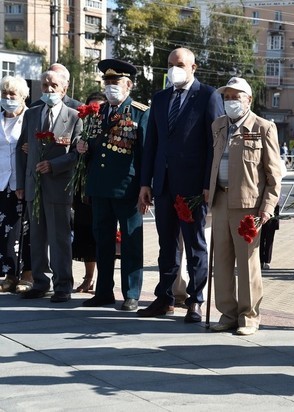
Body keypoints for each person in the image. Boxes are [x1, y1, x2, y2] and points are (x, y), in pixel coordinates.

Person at [138, 47, 224, 321]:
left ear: (193, 67)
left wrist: (209, 183)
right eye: (170, 64)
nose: (174, 68)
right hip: (162, 184)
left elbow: (215, 144)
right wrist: (145, 182)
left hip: (193, 187)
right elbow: (151, 142)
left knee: (195, 244)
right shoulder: (160, 98)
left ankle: (195, 300)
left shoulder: (208, 96)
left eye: (180, 64)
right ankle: (165, 298)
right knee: (167, 245)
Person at [208, 77, 282, 335]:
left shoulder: (263, 127)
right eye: (227, 97)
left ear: (248, 100)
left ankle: (249, 316)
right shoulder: (218, 125)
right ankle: (227, 313)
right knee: (222, 261)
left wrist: (267, 207)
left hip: (248, 206)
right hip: (220, 201)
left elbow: (274, 175)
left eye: (236, 97)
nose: (230, 102)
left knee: (248, 262)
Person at [79, 59, 149, 311]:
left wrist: (144, 186)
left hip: (127, 189)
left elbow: (145, 154)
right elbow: (93, 150)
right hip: (100, 188)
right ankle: (103, 292)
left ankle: (131, 293)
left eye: (115, 82)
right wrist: (82, 148)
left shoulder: (140, 112)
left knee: (130, 242)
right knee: (103, 242)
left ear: (128, 84)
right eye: (107, 82)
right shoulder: (97, 113)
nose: (110, 87)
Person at [15, 69, 82, 303]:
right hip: (34, 185)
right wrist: (22, 183)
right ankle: (40, 282)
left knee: (59, 237)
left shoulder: (74, 116)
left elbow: (77, 154)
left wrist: (53, 165)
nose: (49, 90)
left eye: (54, 85)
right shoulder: (32, 114)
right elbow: (21, 148)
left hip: (58, 185)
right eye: (45, 85)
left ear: (64, 89)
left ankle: (63, 284)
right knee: (37, 235)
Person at [0, 76, 33, 294]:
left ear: (23, 97)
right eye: (5, 94)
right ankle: (9, 274)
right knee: (4, 230)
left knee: (26, 229)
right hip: (2, 182)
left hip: (23, 182)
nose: (8, 98)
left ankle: (28, 274)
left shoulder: (31, 117)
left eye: (13, 94)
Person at [72, 91, 107, 294]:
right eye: (92, 108)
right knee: (85, 235)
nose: (95, 113)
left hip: (102, 190)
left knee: (103, 235)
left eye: (99, 109)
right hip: (83, 189)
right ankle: (88, 278)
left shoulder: (111, 128)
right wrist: (79, 147)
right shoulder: (82, 129)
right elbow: (71, 153)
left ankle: (104, 280)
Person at [259, 205, 280, 270]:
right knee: (260, 240)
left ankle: (267, 261)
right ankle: (260, 261)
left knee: (269, 240)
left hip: (271, 212)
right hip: (259, 213)